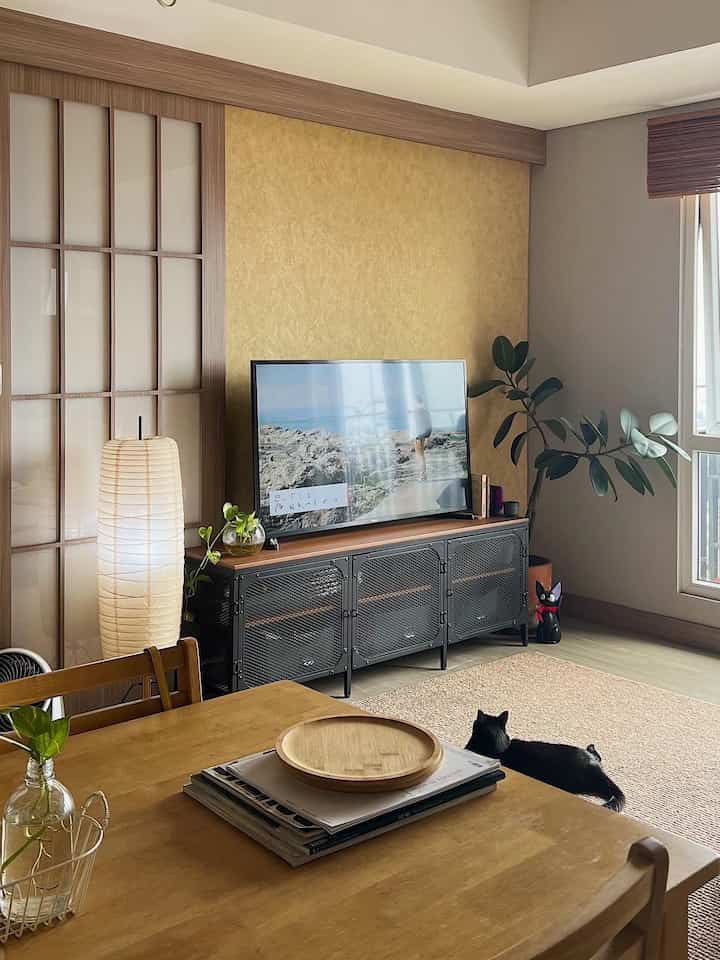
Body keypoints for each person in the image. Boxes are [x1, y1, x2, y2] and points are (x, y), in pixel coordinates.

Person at [410, 396, 432, 480]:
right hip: (423, 435)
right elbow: (429, 424)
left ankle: (422, 475)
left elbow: (415, 425)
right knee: (421, 455)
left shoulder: (416, 412)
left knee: (419, 455)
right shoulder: (425, 411)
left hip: (418, 436)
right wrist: (428, 436)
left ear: (416, 402)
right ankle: (423, 474)